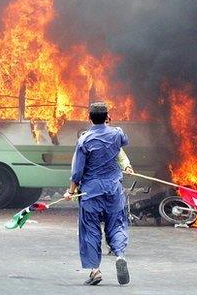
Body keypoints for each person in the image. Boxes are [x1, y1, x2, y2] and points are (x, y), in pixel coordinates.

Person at [64, 102, 130, 286]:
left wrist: (70, 192)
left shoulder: (84, 140)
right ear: (107, 116)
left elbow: (77, 172)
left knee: (90, 230)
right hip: (113, 191)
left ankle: (95, 270)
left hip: (91, 193)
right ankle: (119, 255)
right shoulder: (117, 134)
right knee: (116, 224)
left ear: (89, 117)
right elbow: (123, 144)